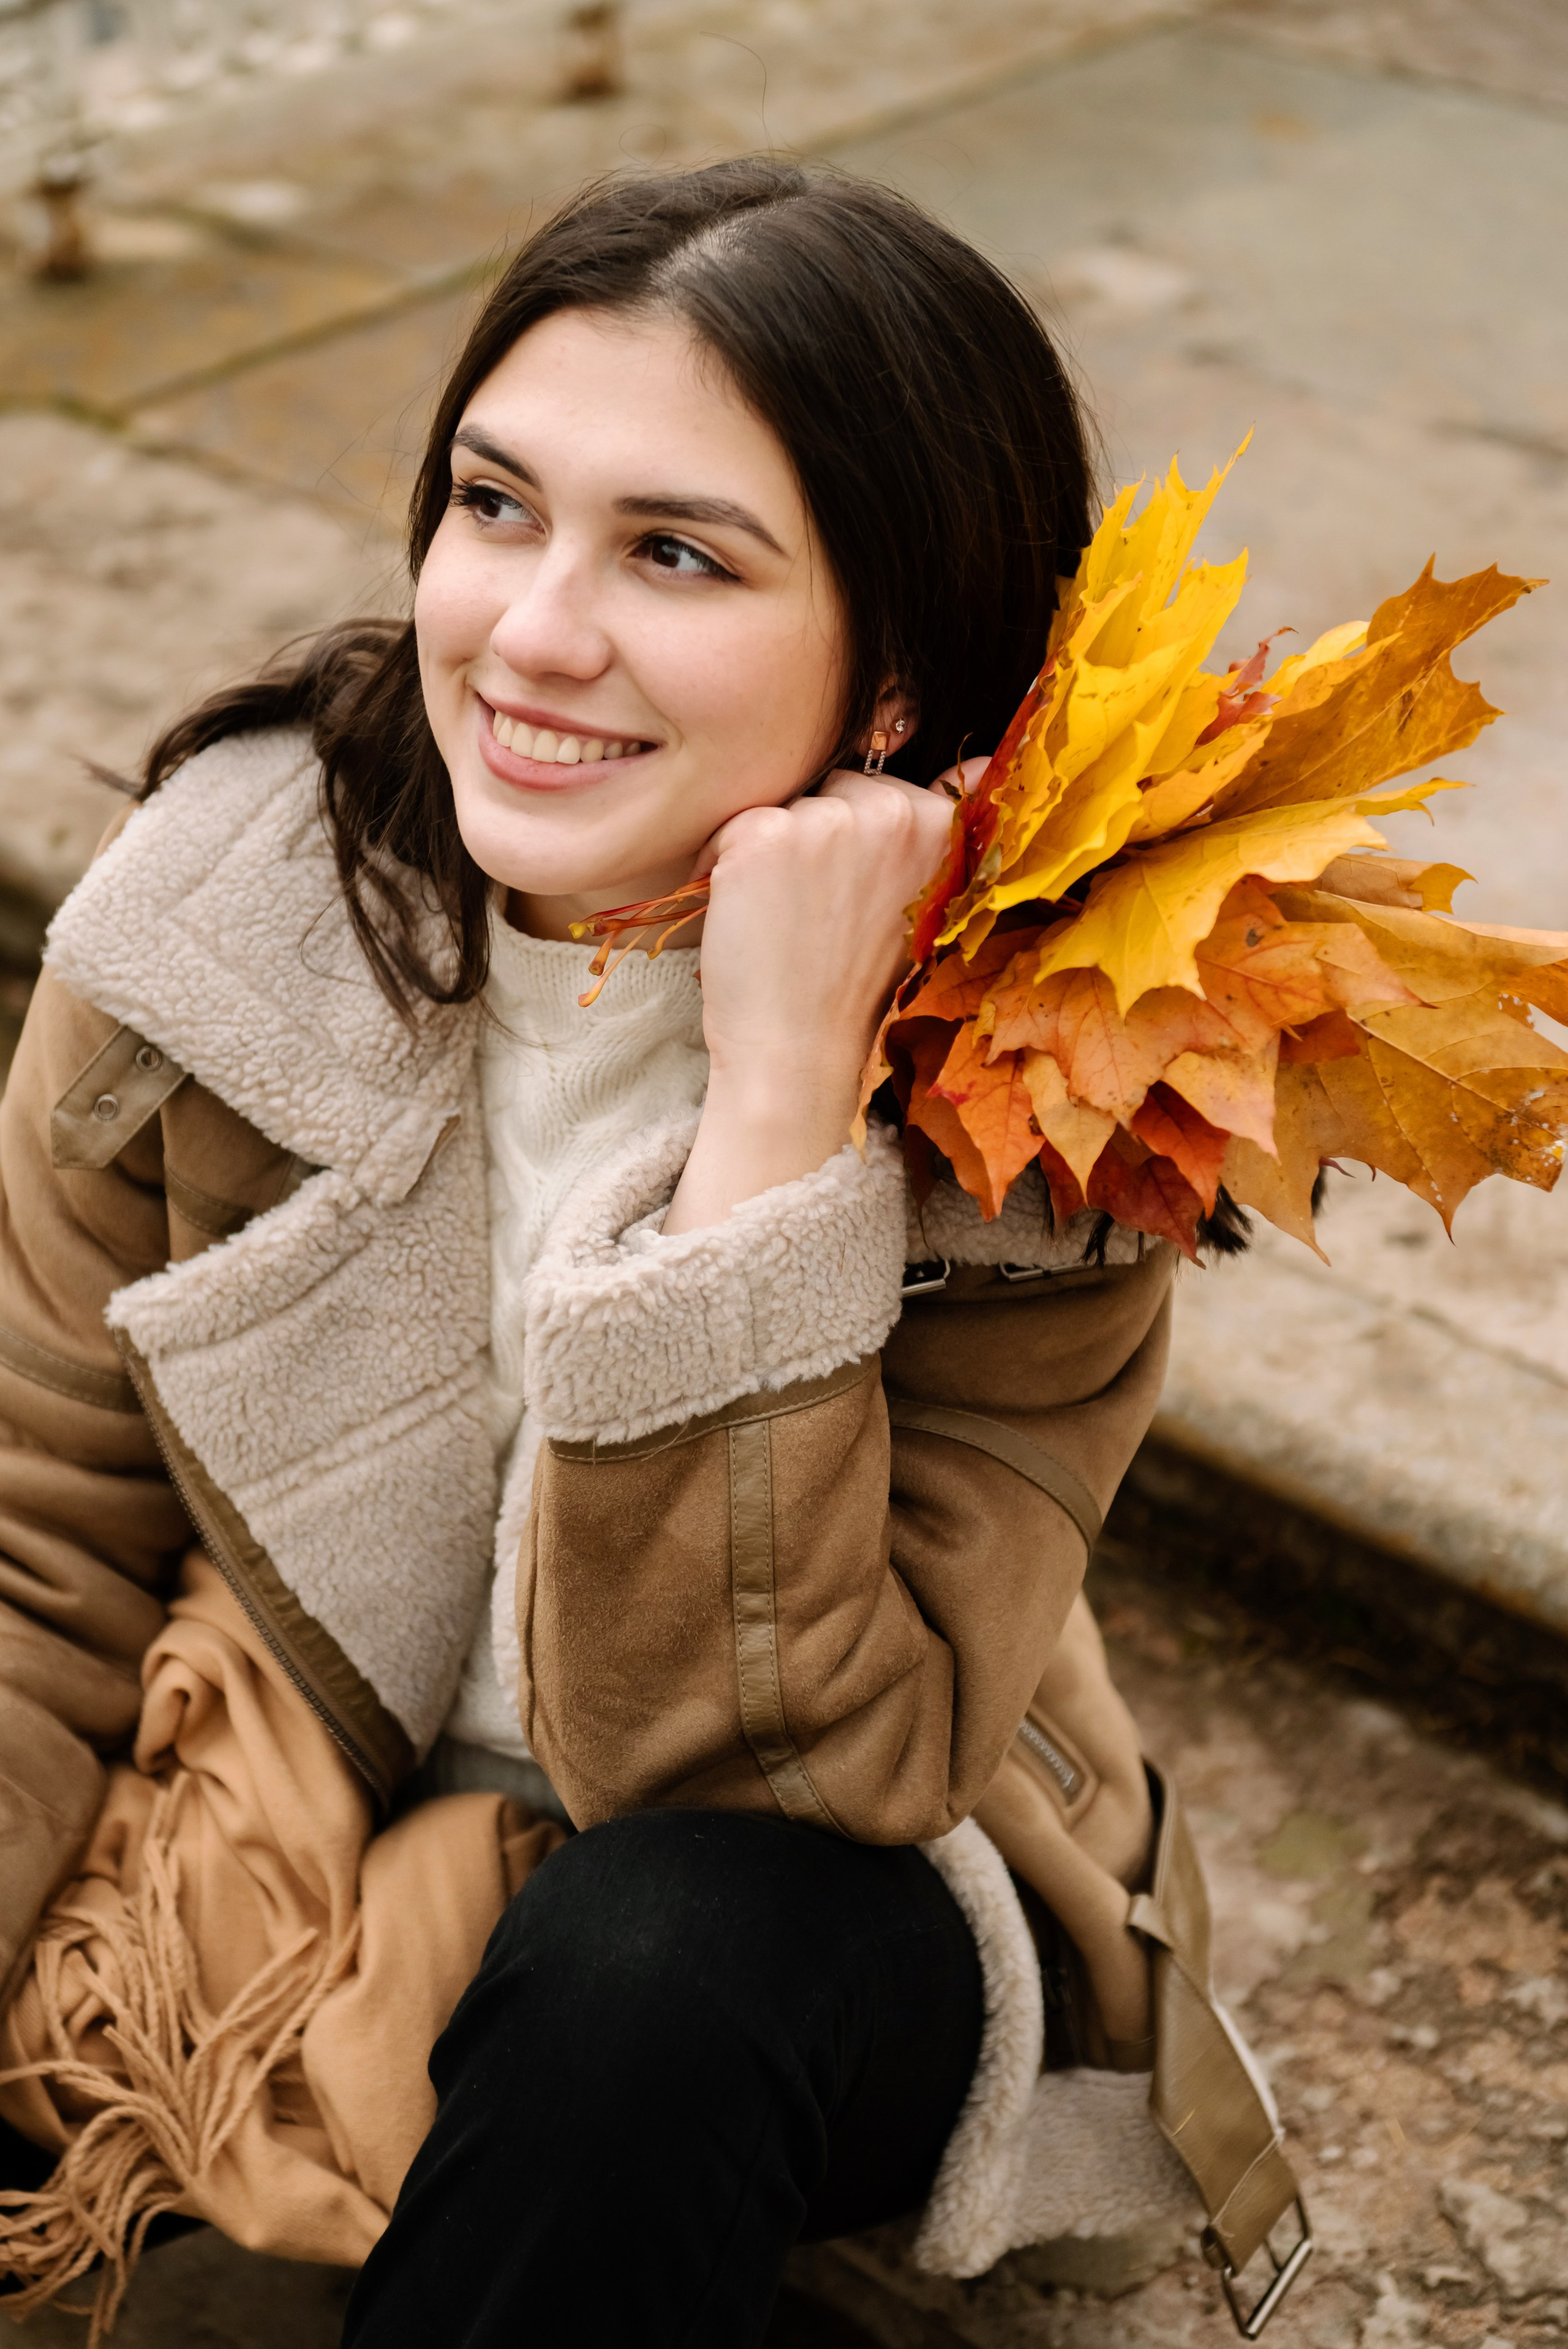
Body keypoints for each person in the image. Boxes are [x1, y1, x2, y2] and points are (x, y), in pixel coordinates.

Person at [0, 159, 1297, 2347]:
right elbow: (34, 1561)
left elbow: (780, 1769)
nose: (526, 630)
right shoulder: (212, 937)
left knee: (651, 1969)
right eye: (495, 505)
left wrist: (780, 1123)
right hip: (283, 1797)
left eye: (675, 553)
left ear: (890, 675)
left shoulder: (1048, 1106)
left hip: (805, 1903)